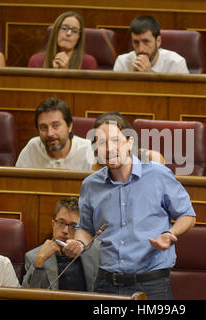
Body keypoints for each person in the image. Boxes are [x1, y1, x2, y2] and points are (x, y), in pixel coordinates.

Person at [62, 112, 196, 300]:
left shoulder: (158, 175)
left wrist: (170, 233)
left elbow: (188, 215)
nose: (109, 149)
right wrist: (78, 243)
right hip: (106, 284)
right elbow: (85, 229)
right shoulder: (91, 185)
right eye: (101, 143)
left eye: (116, 140)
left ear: (130, 143)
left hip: (152, 284)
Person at [22, 197, 99, 291]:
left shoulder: (95, 252)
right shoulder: (33, 256)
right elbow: (28, 295)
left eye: (73, 226)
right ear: (53, 224)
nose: (65, 231)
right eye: (61, 223)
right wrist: (39, 261)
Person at [15, 97, 93, 169]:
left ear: (69, 126)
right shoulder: (32, 148)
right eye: (43, 127)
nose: (50, 133)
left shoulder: (89, 151)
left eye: (56, 126)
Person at [113, 15, 189, 73]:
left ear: (158, 41)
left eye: (146, 41)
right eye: (136, 42)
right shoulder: (122, 62)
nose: (140, 49)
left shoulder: (176, 63)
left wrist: (148, 76)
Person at [28, 11, 97, 70]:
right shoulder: (36, 60)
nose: (68, 33)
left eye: (74, 31)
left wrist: (66, 72)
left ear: (79, 37)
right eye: (64, 28)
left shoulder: (88, 62)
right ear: (56, 31)